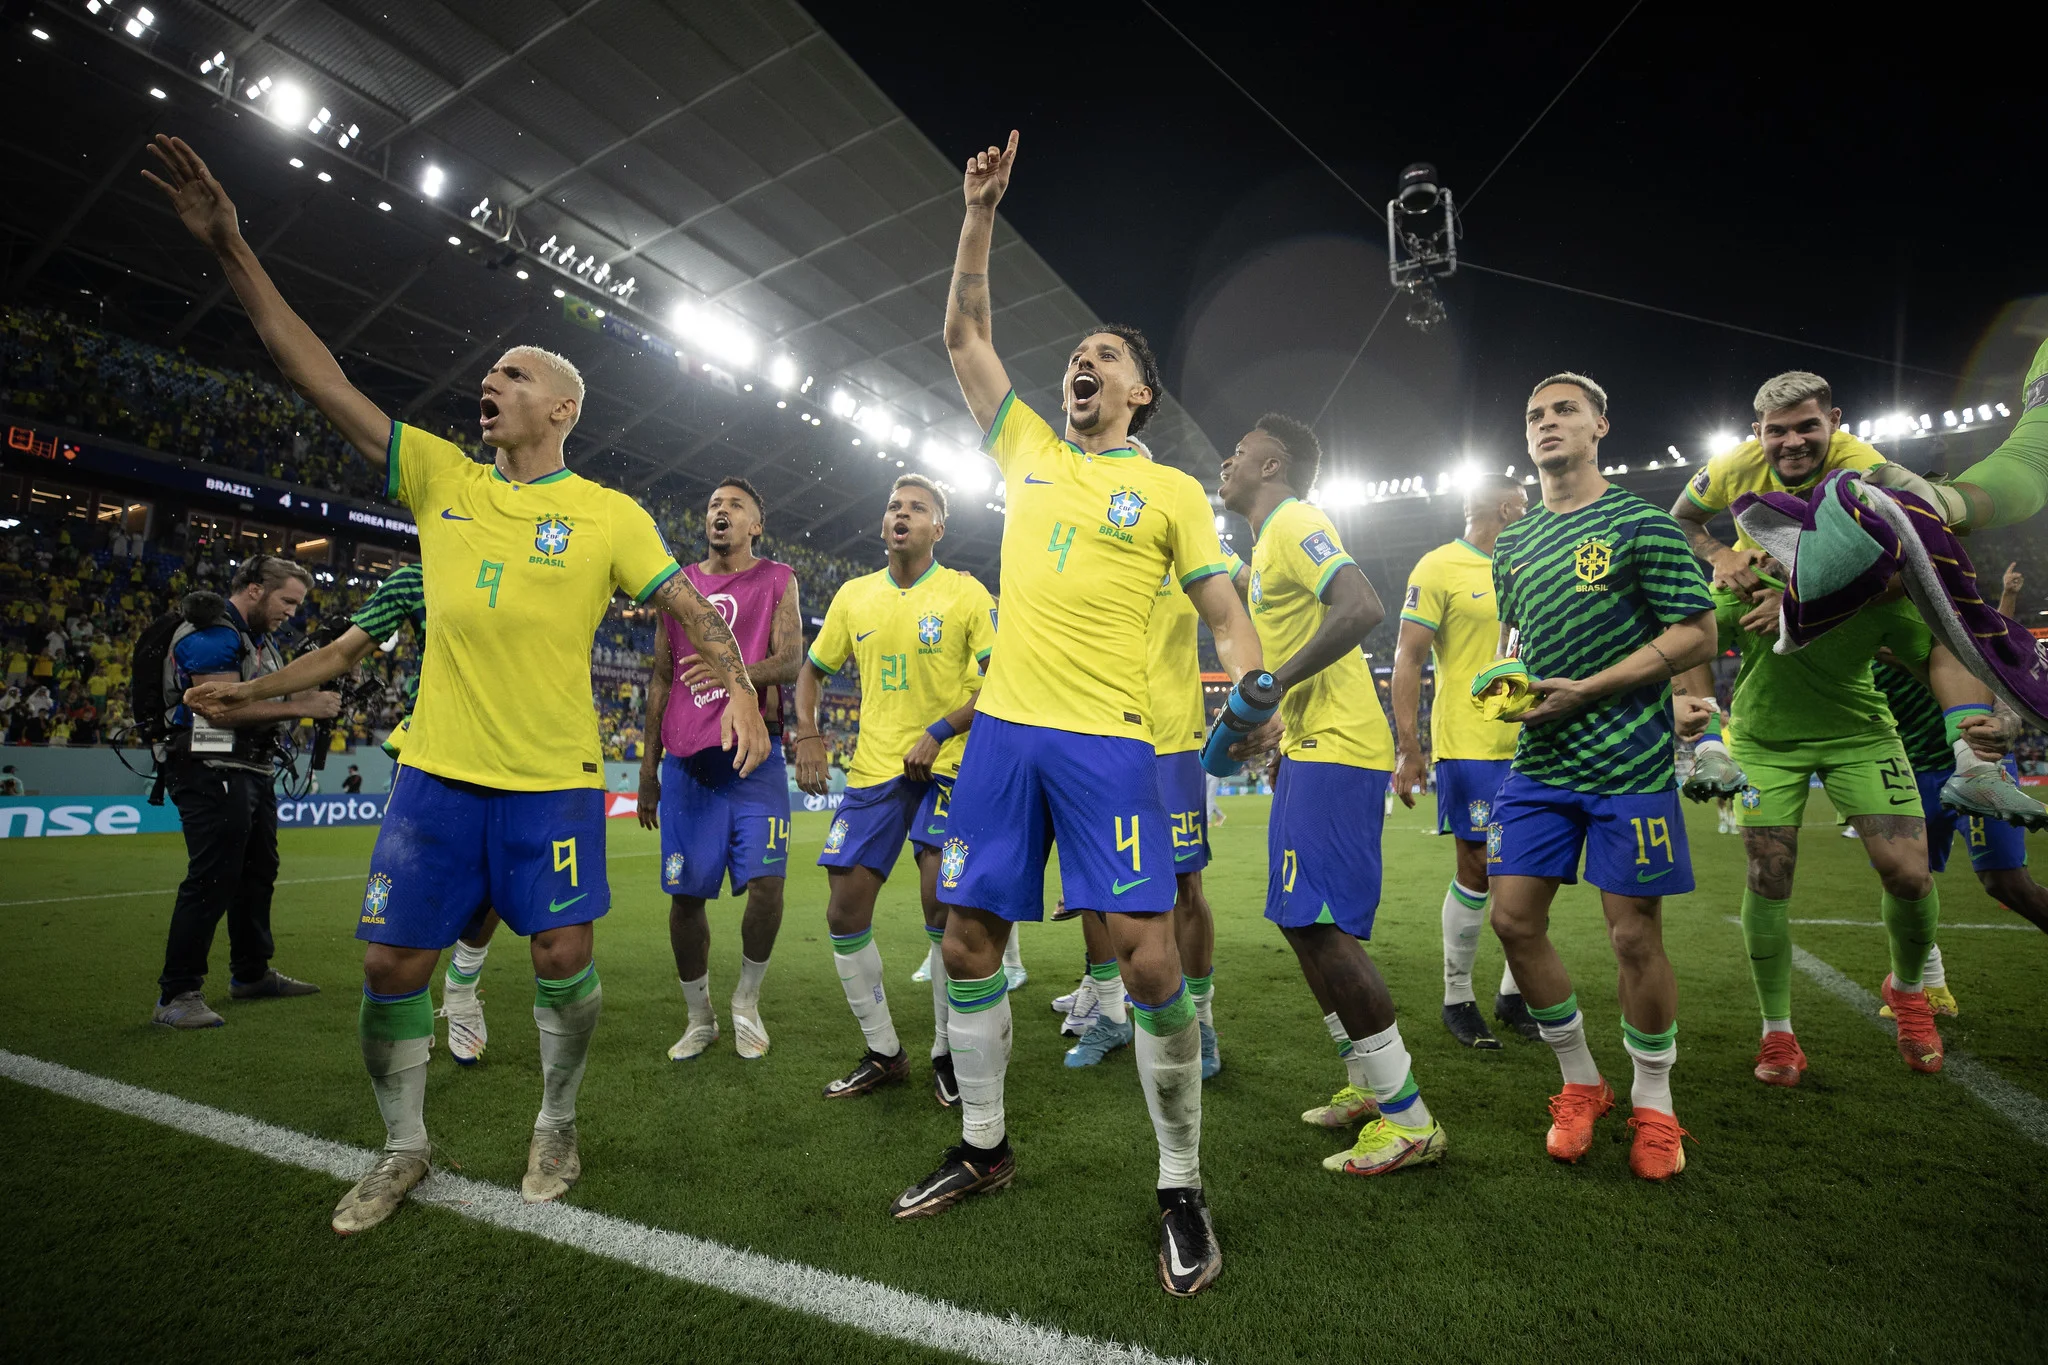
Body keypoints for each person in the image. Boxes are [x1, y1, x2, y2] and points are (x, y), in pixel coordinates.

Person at [147, 133, 767, 1233]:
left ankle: (556, 1120)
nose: (492, 380)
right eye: (490, 372)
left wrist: (748, 692)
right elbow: (314, 370)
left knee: (564, 954)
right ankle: (402, 1149)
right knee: (394, 961)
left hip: (551, 778)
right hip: (437, 774)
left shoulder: (610, 516)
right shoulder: (438, 477)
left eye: (515, 374)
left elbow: (686, 611)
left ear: (562, 409)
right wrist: (231, 246)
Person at [891, 130, 1264, 1301]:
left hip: (1109, 741)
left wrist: (1254, 690)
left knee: (1150, 963)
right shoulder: (1028, 453)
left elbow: (1222, 608)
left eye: (1102, 357)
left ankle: (1177, 1184)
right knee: (965, 940)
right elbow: (961, 334)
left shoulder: (1168, 491)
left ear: (1139, 392)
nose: (1079, 366)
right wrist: (979, 216)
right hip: (1001, 735)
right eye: (1075, 357)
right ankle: (985, 1148)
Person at [1484, 373, 1717, 1182]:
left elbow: (1697, 632)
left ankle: (1655, 1101)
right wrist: (1508, 684)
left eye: (1563, 411)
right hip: (1539, 762)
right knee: (1512, 921)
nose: (1546, 423)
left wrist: (1588, 689)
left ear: (1599, 426)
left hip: (1628, 759)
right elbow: (1515, 637)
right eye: (1534, 414)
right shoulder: (1510, 545)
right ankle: (1581, 1082)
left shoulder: (1641, 525)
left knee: (1632, 935)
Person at [1217, 412, 1445, 1176]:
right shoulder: (1266, 540)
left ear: (1272, 465)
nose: (1227, 461)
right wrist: (1280, 719)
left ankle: (1408, 1118)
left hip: (1341, 746)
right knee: (1296, 919)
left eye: (1240, 452)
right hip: (1310, 744)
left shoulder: (1295, 520)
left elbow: (1363, 605)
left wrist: (1274, 684)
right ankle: (1369, 1086)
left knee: (1318, 924)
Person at [1672, 370, 2039, 824]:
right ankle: (1710, 747)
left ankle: (1974, 765)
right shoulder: (1730, 465)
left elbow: (1899, 561)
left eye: (1807, 426)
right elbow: (1683, 519)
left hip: (1863, 584)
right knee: (1686, 614)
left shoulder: (1866, 467)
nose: (1792, 442)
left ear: (1834, 421)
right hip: (1757, 584)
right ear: (1757, 432)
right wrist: (1721, 554)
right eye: (1776, 430)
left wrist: (1795, 603)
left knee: (1944, 623)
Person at [189, 559, 498, 1066]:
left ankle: (462, 987)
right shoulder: (415, 579)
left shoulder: (535, 559)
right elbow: (340, 652)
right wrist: (247, 690)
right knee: (411, 884)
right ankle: (413, 1000)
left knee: (494, 887)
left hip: (519, 752)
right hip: (431, 748)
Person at [1671, 581, 1948, 1086]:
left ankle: (1908, 991)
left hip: (1862, 736)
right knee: (1769, 873)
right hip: (1764, 742)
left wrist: (1979, 715)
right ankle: (1777, 1031)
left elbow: (1938, 655)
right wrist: (1710, 728)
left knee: (1908, 872)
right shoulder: (1746, 583)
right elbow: (1691, 634)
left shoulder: (1883, 590)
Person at [792, 474, 994, 1101]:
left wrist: (940, 729)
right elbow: (811, 672)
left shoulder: (964, 594)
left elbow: (1001, 682)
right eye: (893, 507)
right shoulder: (855, 598)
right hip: (876, 771)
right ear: (883, 527)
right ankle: (883, 1050)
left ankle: (945, 1052)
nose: (901, 514)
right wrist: (807, 731)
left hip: (949, 767)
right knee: (843, 910)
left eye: (917, 507)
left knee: (941, 904)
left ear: (939, 527)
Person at [637, 478, 800, 1062]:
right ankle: (699, 1016)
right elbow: (660, 678)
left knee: (768, 886)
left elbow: (790, 659)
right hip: (687, 764)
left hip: (753, 761)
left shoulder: (778, 579)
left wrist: (739, 678)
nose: (720, 512)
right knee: (685, 898)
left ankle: (747, 1001)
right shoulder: (677, 586)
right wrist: (648, 770)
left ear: (757, 523)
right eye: (712, 505)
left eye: (734, 506)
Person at [153, 554, 336, 1029]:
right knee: (214, 874)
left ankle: (251, 974)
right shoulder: (213, 633)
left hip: (248, 767)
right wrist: (303, 705)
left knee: (258, 870)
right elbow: (216, 710)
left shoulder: (260, 641)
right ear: (254, 589)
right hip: (207, 764)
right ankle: (178, 993)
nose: (292, 612)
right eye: (287, 601)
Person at [1392, 471, 1541, 1049]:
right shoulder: (1439, 567)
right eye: (1524, 506)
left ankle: (1513, 994)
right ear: (1506, 508)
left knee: (1530, 873)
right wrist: (1409, 747)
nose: (1530, 513)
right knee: (1477, 868)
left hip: (1536, 741)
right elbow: (1408, 659)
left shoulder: (1534, 563)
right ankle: (1458, 997)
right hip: (1472, 744)